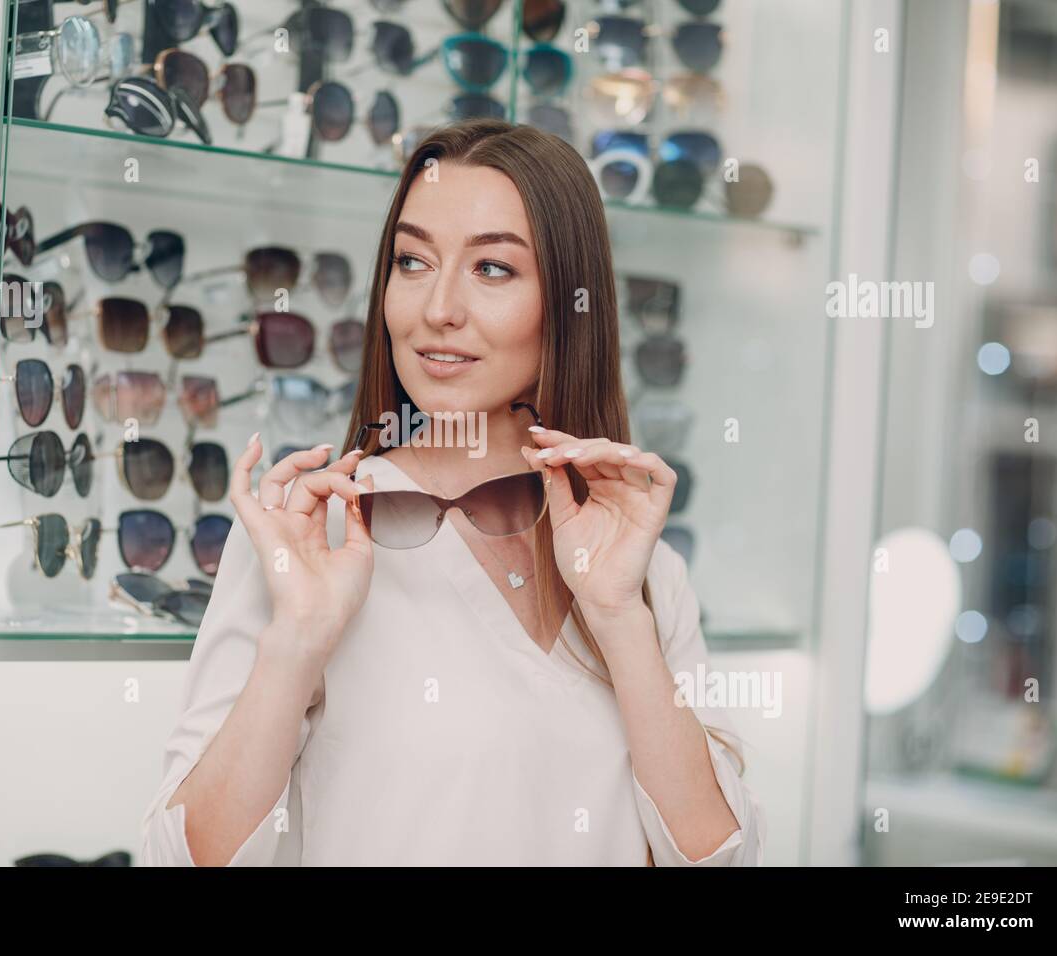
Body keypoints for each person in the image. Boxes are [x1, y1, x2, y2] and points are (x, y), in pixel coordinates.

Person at [141, 118, 766, 866]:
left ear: (569, 306)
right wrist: (297, 639)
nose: (438, 308)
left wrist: (616, 616)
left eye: (492, 269)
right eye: (412, 262)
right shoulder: (311, 535)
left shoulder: (641, 571)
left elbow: (721, 856)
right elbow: (179, 859)